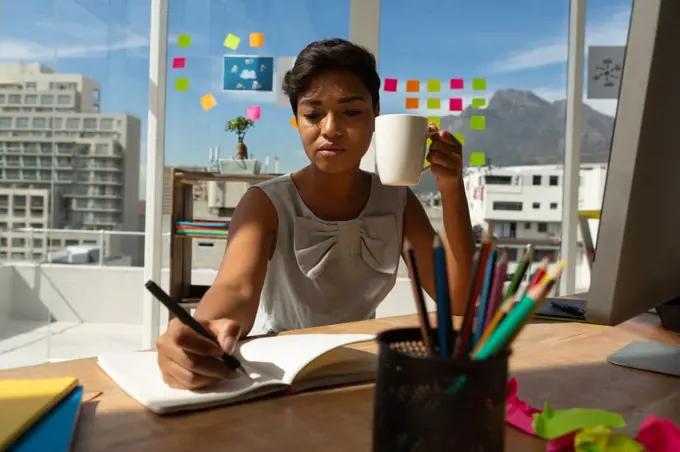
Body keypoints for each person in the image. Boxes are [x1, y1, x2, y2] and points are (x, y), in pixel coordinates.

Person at [156, 38, 474, 389]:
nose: (330, 129)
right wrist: (205, 328)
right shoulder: (266, 203)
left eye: (351, 112)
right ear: (297, 120)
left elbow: (457, 302)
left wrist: (451, 187)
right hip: (280, 372)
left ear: (375, 118)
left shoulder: (397, 201)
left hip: (361, 369)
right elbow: (236, 287)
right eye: (313, 113)